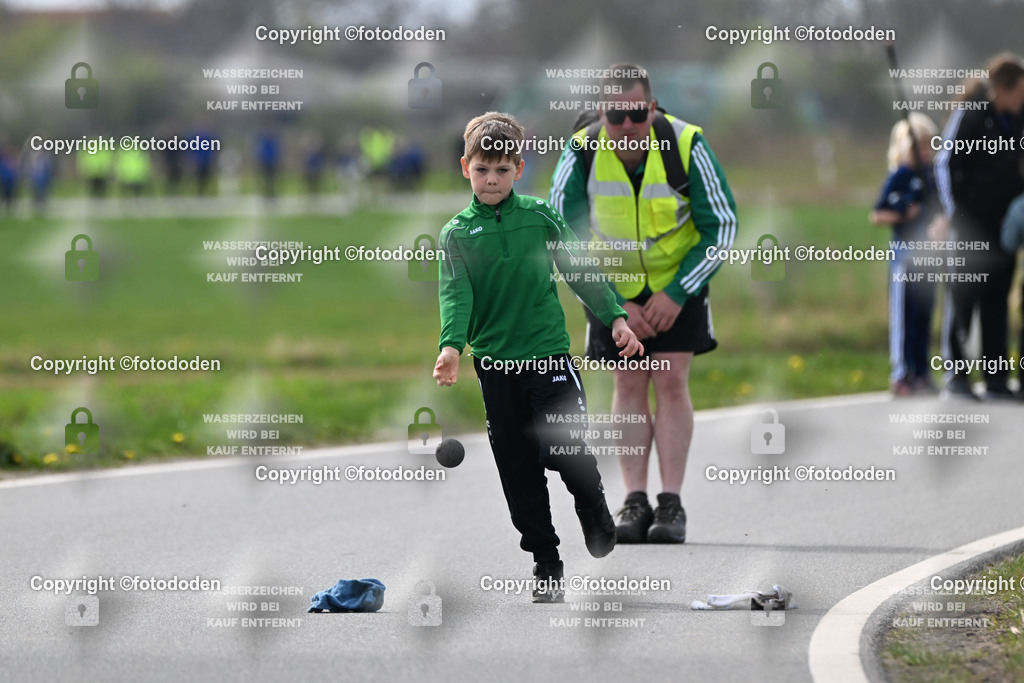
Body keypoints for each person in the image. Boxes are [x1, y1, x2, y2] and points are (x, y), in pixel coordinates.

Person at [433, 112, 644, 603]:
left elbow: (579, 267)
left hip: (548, 357)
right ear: (466, 167)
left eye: (502, 170)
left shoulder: (539, 216)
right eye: (482, 170)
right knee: (518, 467)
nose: (492, 180)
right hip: (495, 368)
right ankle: (546, 560)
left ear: (519, 169)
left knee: (567, 448)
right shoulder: (457, 233)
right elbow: (455, 295)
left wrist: (614, 317)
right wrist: (450, 346)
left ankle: (592, 505)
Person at [549, 63, 737, 544]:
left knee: (671, 379)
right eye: (617, 114)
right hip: (612, 290)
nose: (628, 125)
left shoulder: (687, 144)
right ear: (601, 113)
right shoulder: (581, 152)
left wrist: (676, 294)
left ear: (651, 107)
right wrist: (614, 305)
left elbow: (722, 225)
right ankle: (634, 500)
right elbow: (561, 237)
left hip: (680, 284)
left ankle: (670, 504)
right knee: (629, 380)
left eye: (637, 113)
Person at [935, 53, 1024, 400]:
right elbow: (945, 163)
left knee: (997, 303)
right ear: (1003, 89)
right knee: (963, 302)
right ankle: (957, 378)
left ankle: (996, 379)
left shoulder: (1016, 120)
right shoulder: (971, 115)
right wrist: (953, 213)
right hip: (971, 227)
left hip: (1005, 228)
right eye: (1020, 91)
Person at [869, 113, 941, 396]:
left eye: (927, 146)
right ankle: (902, 373)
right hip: (904, 257)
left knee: (924, 316)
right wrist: (903, 213)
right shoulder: (899, 176)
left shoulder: (933, 178)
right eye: (916, 147)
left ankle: (921, 371)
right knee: (904, 318)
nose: (923, 153)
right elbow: (877, 215)